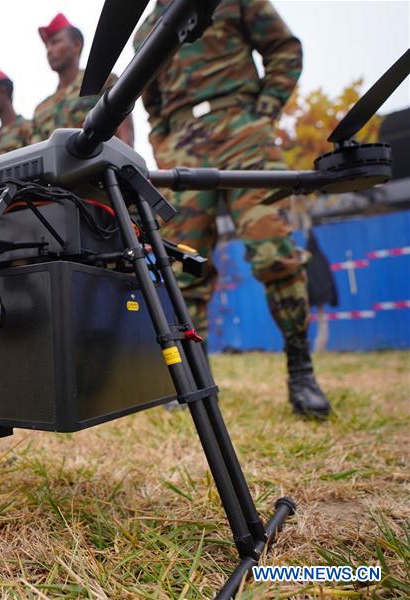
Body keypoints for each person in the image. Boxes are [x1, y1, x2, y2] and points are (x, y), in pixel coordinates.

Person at [133, 0, 329, 418]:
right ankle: (195, 382)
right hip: (185, 144)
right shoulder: (147, 29)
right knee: (183, 269)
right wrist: (165, 145)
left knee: (273, 251)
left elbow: (284, 48)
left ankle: (301, 372)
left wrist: (263, 112)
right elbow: (150, 100)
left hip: (242, 129)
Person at [32, 12, 134, 146]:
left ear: (76, 45)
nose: (49, 50)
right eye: (47, 46)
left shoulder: (102, 82)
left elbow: (126, 137)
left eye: (55, 42)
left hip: (103, 159)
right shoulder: (41, 110)